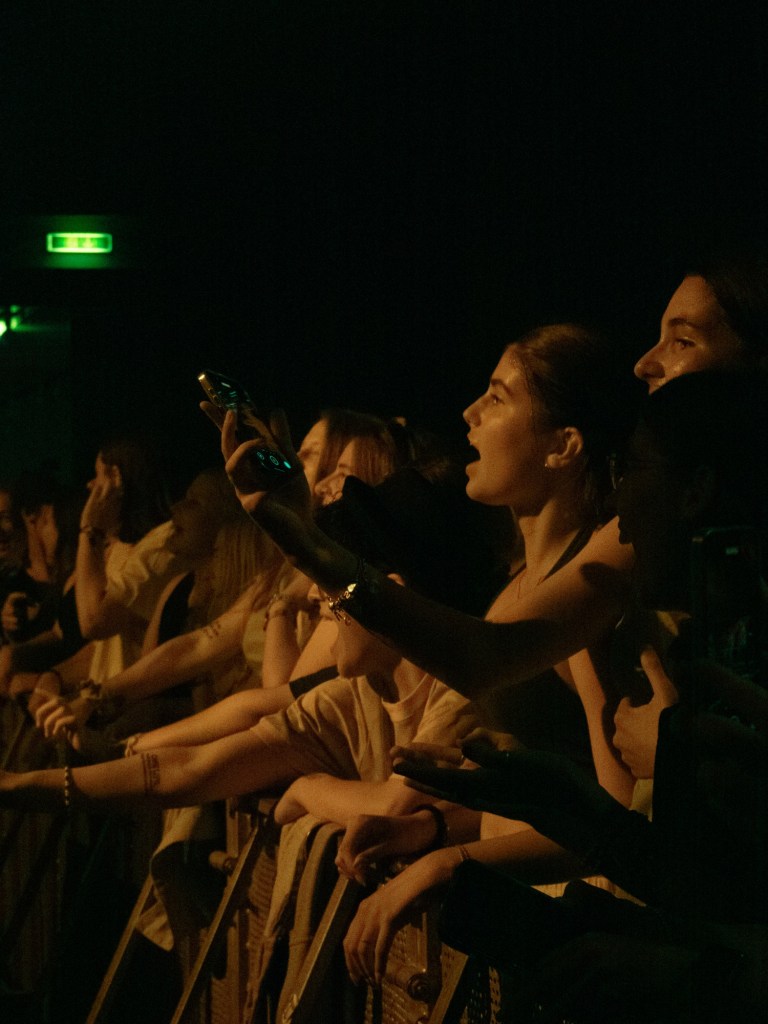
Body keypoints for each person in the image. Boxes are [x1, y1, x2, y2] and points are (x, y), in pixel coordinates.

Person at [396, 370, 768, 1022]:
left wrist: (699, 974)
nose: (618, 499)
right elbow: (699, 883)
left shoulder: (634, 627)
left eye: (635, 469)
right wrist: (565, 805)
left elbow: (725, 901)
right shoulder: (672, 636)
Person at [0, 465, 506, 820]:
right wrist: (19, 786)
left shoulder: (462, 701)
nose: (316, 595)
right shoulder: (352, 698)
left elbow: (398, 806)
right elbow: (189, 769)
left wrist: (309, 788)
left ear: (388, 594)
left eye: (334, 586)